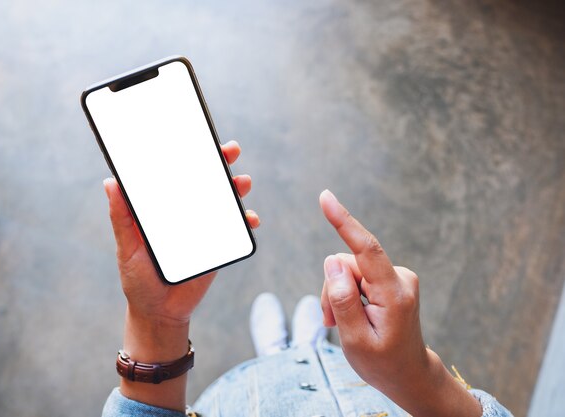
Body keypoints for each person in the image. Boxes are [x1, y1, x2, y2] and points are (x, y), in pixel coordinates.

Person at [100, 141, 513, 417]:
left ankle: (281, 354)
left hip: (250, 397)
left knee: (278, 367)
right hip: (367, 386)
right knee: (321, 354)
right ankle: (307, 349)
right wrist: (420, 379)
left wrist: (156, 322)